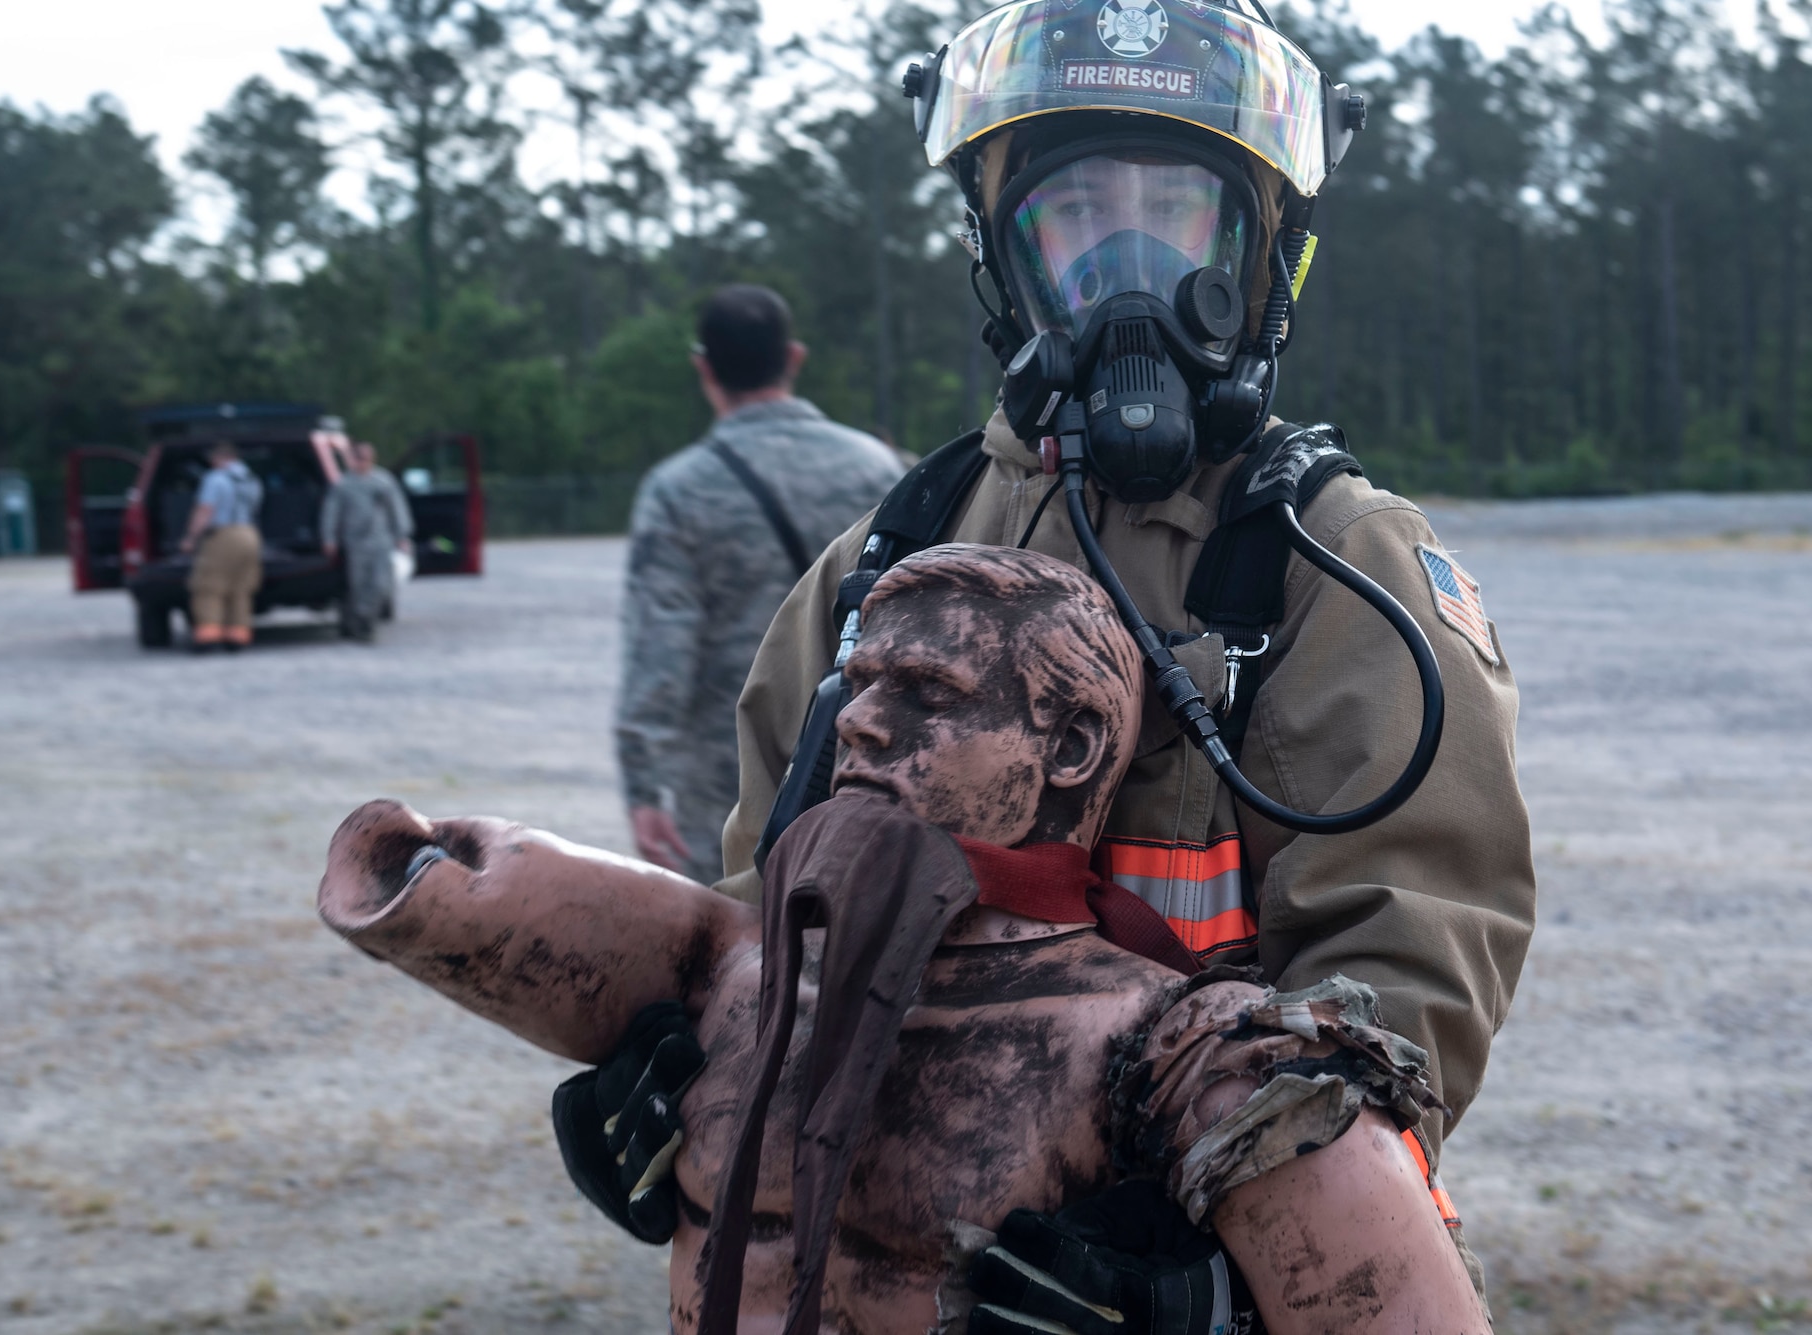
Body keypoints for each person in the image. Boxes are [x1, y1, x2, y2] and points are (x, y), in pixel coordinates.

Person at [575, 1, 1537, 1319]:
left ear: (1259, 256)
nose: (1126, 262)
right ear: (1005, 252)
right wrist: (682, 1063)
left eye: (1177, 211)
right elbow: (763, 922)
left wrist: (1217, 1266)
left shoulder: (1333, 564)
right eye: (1078, 212)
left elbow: (1409, 973)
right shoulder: (878, 559)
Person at [319, 545, 1489, 1335]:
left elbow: (1415, 946)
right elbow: (459, 889)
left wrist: (1219, 1308)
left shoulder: (1191, 1063)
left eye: (922, 693)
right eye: (859, 684)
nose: (863, 721)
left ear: (1071, 749)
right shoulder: (741, 982)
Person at [616, 284, 907, 884]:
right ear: (793, 358)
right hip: (864, 754)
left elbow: (660, 651)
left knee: (727, 950)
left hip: (729, 776)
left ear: (703, 368)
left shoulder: (679, 490)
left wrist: (645, 784)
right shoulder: (878, 469)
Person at [320, 441, 413, 643]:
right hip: (356, 543)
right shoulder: (343, 485)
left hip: (381, 542)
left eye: (367, 458)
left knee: (380, 585)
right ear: (352, 460)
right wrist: (329, 538)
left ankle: (367, 618)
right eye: (360, 458)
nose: (363, 462)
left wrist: (402, 536)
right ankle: (362, 625)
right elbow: (331, 513)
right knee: (358, 586)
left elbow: (397, 510)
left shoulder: (383, 482)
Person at [179, 440, 264, 653]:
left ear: (221, 458)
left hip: (224, 535)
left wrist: (190, 537)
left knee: (209, 587)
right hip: (250, 534)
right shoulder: (252, 479)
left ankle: (208, 638)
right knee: (241, 588)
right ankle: (238, 637)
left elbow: (205, 510)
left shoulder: (215, 479)